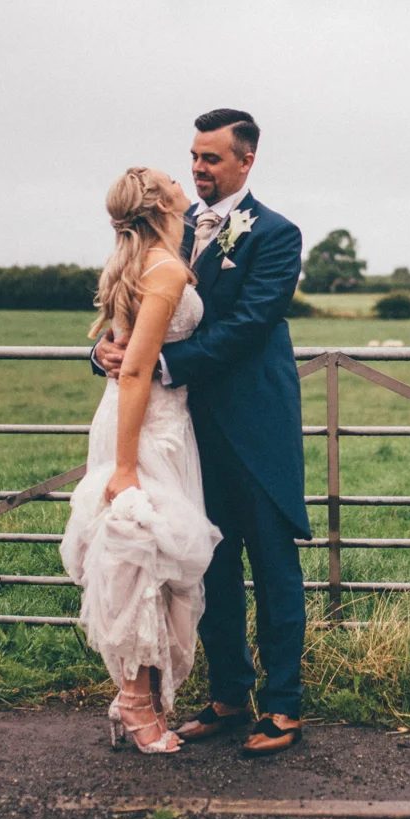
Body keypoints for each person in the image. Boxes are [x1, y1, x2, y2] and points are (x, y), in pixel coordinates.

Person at [92, 108, 310, 756]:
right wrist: (106, 349)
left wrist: (157, 364)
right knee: (206, 570)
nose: (198, 168)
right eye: (193, 156)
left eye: (211, 158)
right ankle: (228, 696)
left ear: (246, 161)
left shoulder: (276, 234)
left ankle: (283, 705)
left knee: (273, 568)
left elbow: (247, 323)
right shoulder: (171, 224)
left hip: (256, 427)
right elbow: (133, 306)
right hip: (186, 433)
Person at [61, 166, 223, 753]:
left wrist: (105, 347)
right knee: (137, 557)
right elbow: (132, 368)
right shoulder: (165, 267)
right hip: (145, 426)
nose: (184, 178)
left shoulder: (141, 260)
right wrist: (125, 467)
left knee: (153, 561)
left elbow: (121, 345)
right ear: (159, 202)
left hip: (157, 420)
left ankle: (141, 696)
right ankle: (134, 702)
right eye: (170, 176)